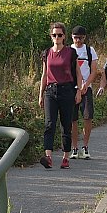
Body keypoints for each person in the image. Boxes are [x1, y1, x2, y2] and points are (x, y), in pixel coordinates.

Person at [37, 22, 80, 169]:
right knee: (49, 124)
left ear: (64, 37)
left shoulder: (70, 53)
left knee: (65, 125)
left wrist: (79, 91)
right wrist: (41, 94)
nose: (57, 37)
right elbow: (44, 75)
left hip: (67, 90)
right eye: (54, 35)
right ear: (51, 36)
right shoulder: (47, 53)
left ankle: (65, 156)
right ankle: (48, 157)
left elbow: (78, 73)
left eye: (59, 35)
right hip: (51, 91)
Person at [69, 26, 99, 160]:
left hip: (86, 88)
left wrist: (85, 85)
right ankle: (74, 148)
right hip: (71, 89)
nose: (78, 40)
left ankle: (85, 146)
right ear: (71, 37)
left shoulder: (89, 50)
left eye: (80, 38)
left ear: (84, 38)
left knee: (87, 117)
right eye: (75, 37)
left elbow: (94, 71)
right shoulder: (68, 51)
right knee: (72, 120)